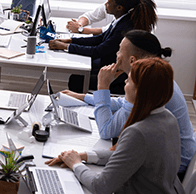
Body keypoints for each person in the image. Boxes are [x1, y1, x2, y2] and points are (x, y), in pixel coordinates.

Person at [46, 58, 185, 194]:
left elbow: (101, 187)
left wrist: (75, 164)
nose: (125, 83)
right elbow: (129, 155)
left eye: (129, 81)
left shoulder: (139, 132)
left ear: (140, 91)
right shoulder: (167, 117)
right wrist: (85, 156)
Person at [62, 30, 196, 179]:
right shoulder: (156, 76)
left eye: (120, 50)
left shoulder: (146, 87)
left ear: (132, 60)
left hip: (172, 167)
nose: (117, 54)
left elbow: (106, 131)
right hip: (178, 153)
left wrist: (103, 87)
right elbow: (122, 103)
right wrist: (82, 97)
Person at [49, 0, 157, 93]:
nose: (105, 4)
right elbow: (99, 39)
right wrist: (70, 41)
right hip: (108, 63)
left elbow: (98, 51)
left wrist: (65, 47)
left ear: (119, 7)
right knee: (79, 71)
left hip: (119, 78)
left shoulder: (124, 28)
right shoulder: (120, 20)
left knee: (77, 80)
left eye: (109, 2)